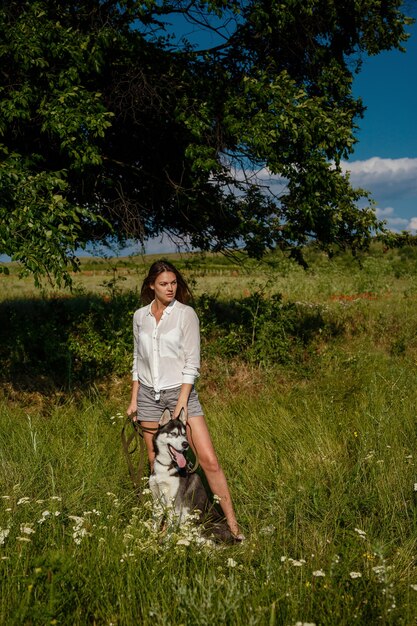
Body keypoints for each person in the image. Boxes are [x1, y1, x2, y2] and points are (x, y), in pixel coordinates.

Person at [126, 259, 243, 541]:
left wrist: (182, 400)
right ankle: (165, 527)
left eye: (174, 283)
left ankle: (234, 527)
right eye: (164, 284)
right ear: (151, 285)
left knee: (208, 459)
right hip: (148, 399)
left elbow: (192, 363)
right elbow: (137, 360)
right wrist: (134, 400)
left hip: (180, 393)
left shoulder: (185, 314)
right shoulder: (139, 316)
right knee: (158, 464)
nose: (170, 288)